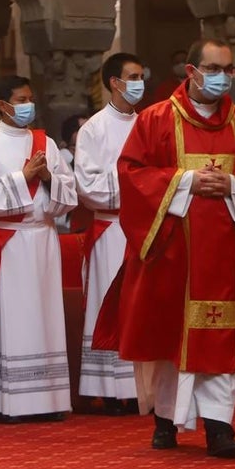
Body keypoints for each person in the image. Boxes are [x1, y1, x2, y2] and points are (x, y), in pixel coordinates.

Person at [93, 38, 235, 459]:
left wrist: (234, 185)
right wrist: (186, 182)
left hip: (223, 254)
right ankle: (165, 420)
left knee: (219, 341)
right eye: (214, 69)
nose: (223, 78)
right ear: (192, 72)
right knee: (169, 339)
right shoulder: (158, 119)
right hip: (171, 250)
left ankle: (220, 427)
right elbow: (132, 174)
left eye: (229, 70)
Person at [0, 75, 77, 420]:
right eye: (21, 99)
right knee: (12, 318)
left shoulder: (46, 143)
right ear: (3, 106)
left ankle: (49, 400)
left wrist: (47, 178)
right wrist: (23, 176)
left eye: (31, 98)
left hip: (43, 240)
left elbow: (70, 195)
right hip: (9, 242)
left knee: (44, 317)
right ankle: (6, 401)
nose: (28, 105)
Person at [74, 52, 144, 415]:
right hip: (111, 228)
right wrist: (135, 183)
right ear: (114, 83)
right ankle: (109, 389)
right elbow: (87, 186)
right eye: (133, 77)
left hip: (147, 228)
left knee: (140, 305)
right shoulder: (94, 130)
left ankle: (140, 388)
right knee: (110, 305)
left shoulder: (149, 124)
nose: (139, 84)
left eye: (141, 76)